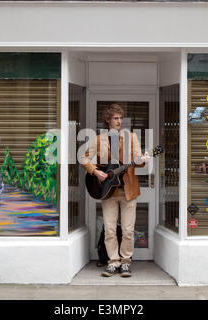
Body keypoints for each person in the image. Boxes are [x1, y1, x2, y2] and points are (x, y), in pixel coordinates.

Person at [80, 103, 150, 278]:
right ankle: (113, 262)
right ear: (108, 120)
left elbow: (139, 161)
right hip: (107, 191)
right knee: (110, 229)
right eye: (116, 118)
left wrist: (144, 159)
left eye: (121, 118)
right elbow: (83, 157)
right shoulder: (99, 139)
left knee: (128, 230)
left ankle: (125, 262)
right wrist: (96, 171)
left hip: (128, 190)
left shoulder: (131, 137)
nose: (119, 121)